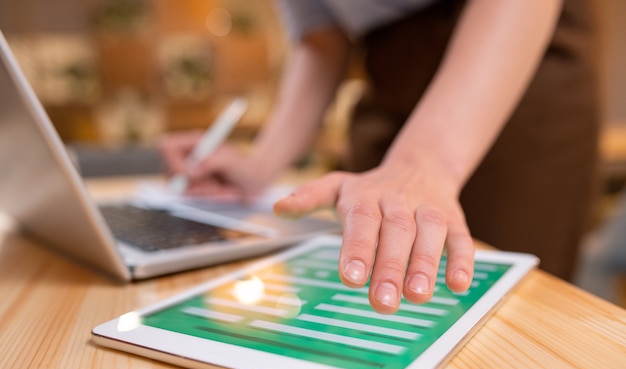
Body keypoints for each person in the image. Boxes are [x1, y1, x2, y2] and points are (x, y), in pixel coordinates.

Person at [160, 0, 600, 314]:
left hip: (507, 49)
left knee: (507, 314)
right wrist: (260, 166)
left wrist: (424, 161)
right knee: (378, 282)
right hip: (384, 61)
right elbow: (321, 38)